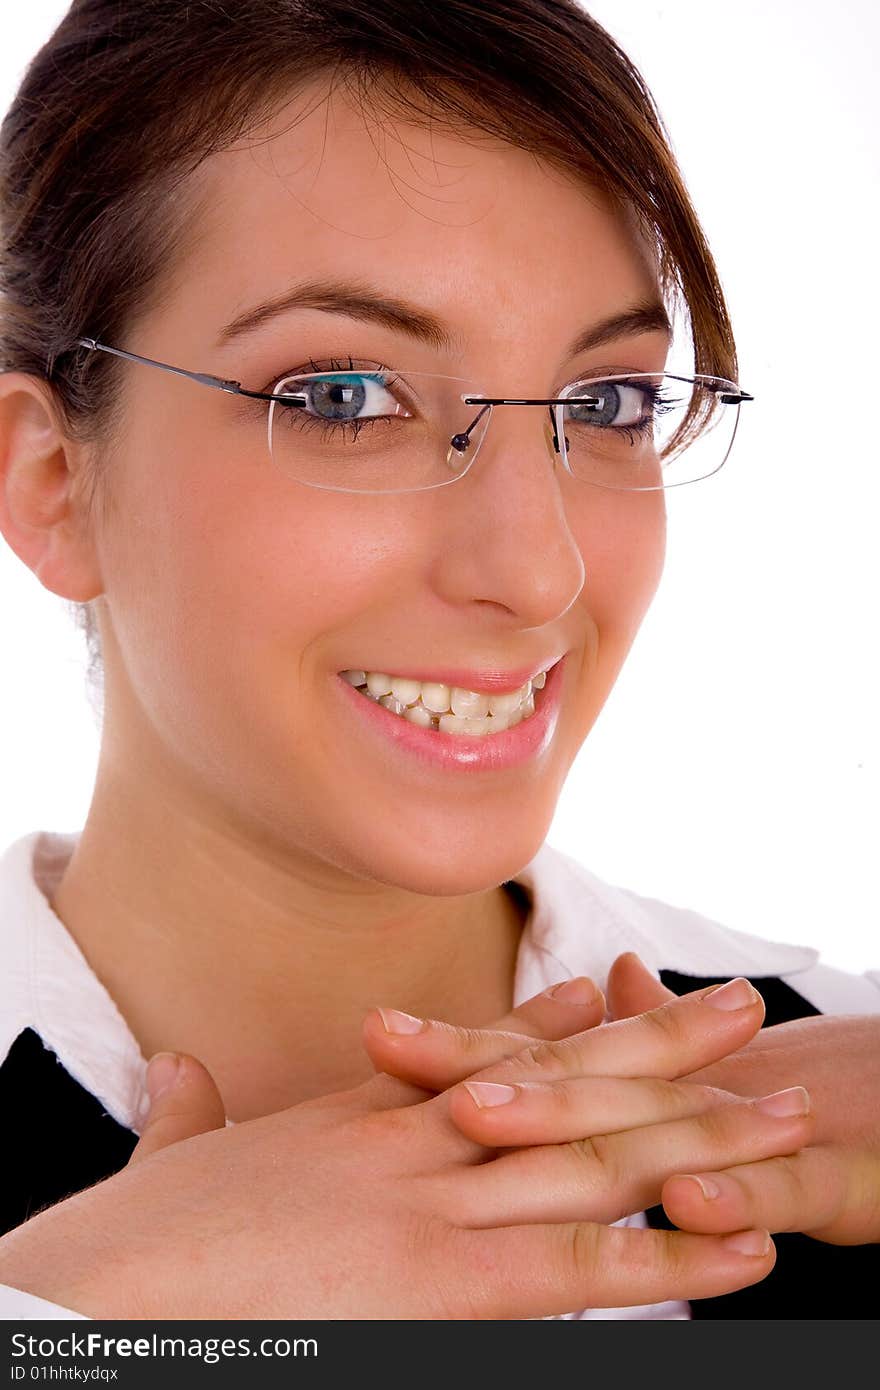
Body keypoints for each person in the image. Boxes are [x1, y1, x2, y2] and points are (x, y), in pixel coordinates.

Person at [0, 0, 876, 1321]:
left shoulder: (835, 1102)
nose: (536, 574)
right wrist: (68, 1315)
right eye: (347, 396)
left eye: (609, 404)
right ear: (54, 480)